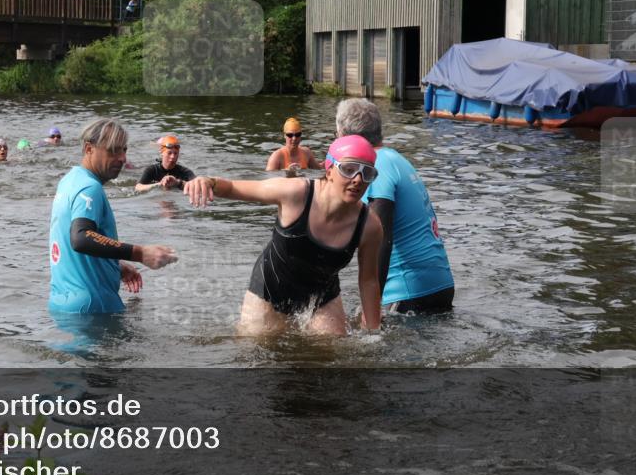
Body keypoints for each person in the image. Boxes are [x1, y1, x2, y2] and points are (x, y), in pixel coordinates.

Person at [184, 135, 383, 336]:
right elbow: (236, 187)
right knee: (255, 348)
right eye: (348, 170)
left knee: (331, 352)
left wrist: (375, 334)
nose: (357, 179)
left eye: (367, 173)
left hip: (322, 298)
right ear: (329, 170)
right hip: (269, 291)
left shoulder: (369, 225)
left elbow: (369, 281)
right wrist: (208, 181)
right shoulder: (296, 193)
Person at [335, 99, 455, 314]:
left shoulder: (375, 167)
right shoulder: (396, 159)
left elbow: (380, 237)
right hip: (439, 284)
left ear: (348, 138)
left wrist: (371, 308)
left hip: (407, 290)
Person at [49, 118, 178, 314]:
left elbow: (70, 245)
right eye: (113, 150)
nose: (122, 158)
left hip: (61, 304)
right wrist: (140, 253)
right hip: (93, 306)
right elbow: (81, 238)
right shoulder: (90, 188)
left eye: (124, 150)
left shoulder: (69, 181)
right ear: (89, 149)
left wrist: (113, 265)